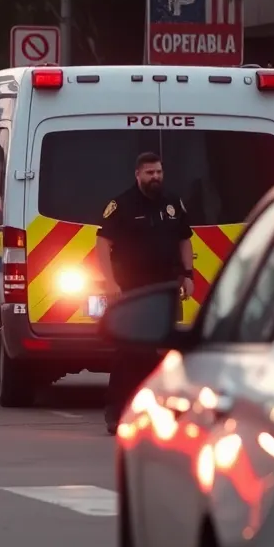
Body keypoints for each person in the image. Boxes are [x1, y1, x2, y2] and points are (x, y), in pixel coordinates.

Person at [95, 151, 195, 435]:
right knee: (129, 352)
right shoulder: (122, 205)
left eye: (159, 172)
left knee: (163, 353)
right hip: (133, 290)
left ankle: (160, 415)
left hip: (166, 288)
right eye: (150, 173)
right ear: (138, 174)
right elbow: (103, 244)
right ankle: (116, 412)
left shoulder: (173, 203)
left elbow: (184, 240)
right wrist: (111, 282)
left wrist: (188, 275)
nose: (156, 177)